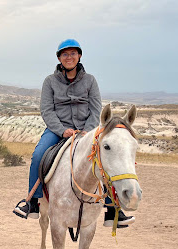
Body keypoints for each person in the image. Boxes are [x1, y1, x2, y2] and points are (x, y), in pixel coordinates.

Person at [12, 38, 134, 228]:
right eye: (65, 54)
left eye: (73, 53)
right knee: (38, 155)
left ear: (79, 56)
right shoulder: (50, 82)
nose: (69, 57)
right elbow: (47, 110)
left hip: (87, 130)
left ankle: (113, 209)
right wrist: (62, 130)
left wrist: (87, 131)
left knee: (106, 158)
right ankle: (32, 203)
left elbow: (96, 109)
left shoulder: (90, 81)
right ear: (59, 58)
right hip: (58, 130)